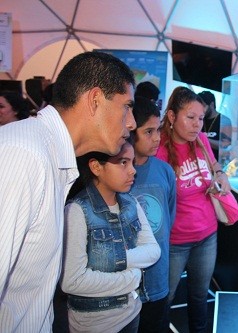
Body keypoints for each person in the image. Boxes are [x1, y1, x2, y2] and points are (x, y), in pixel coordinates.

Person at [0, 51, 137, 332]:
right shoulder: (23, 154)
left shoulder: (50, 157)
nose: (131, 122)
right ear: (95, 100)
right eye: (127, 107)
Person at [61, 141, 160, 332]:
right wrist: (132, 276)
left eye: (132, 163)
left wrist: (112, 260)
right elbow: (72, 281)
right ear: (96, 167)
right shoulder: (77, 211)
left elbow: (153, 251)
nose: (132, 171)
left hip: (132, 312)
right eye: (123, 162)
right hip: (95, 325)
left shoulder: (130, 202)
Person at [156, 86, 232, 332]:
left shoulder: (200, 141)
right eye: (190, 117)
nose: (197, 124)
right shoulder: (158, 150)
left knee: (199, 297)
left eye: (201, 118)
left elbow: (213, 164)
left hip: (207, 235)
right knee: (164, 298)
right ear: (171, 116)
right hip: (175, 242)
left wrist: (220, 174)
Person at [129, 96, 177, 333]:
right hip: (127, 282)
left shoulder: (165, 171)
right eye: (148, 131)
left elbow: (168, 217)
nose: (157, 137)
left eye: (158, 129)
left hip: (158, 276)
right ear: (130, 130)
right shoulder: (117, 173)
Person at [198, 90, 231, 164]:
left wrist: (203, 139)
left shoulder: (224, 120)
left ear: (211, 105)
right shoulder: (200, 119)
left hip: (217, 165)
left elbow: (225, 146)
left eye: (203, 106)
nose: (200, 109)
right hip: (201, 164)